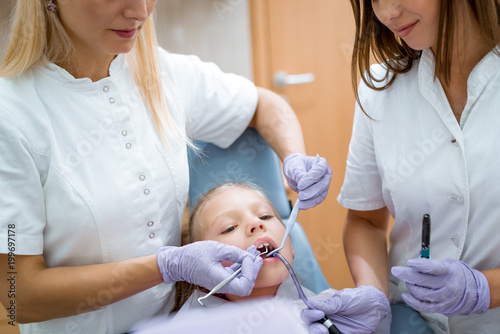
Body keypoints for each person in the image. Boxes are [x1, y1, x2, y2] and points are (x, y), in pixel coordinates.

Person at [0, 1, 332, 333]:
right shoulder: (12, 115)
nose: (140, 12)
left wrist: (294, 158)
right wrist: (165, 267)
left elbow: (265, 105)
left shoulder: (162, 72)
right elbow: (19, 295)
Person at [303, 1, 500, 333]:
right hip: (412, 323)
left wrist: (486, 288)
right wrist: (372, 294)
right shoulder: (380, 88)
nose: (387, 13)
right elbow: (366, 220)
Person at [172, 182, 390, 334]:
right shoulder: (193, 326)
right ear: (201, 269)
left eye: (265, 216)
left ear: (292, 248)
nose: (257, 224)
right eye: (230, 228)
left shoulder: (329, 310)